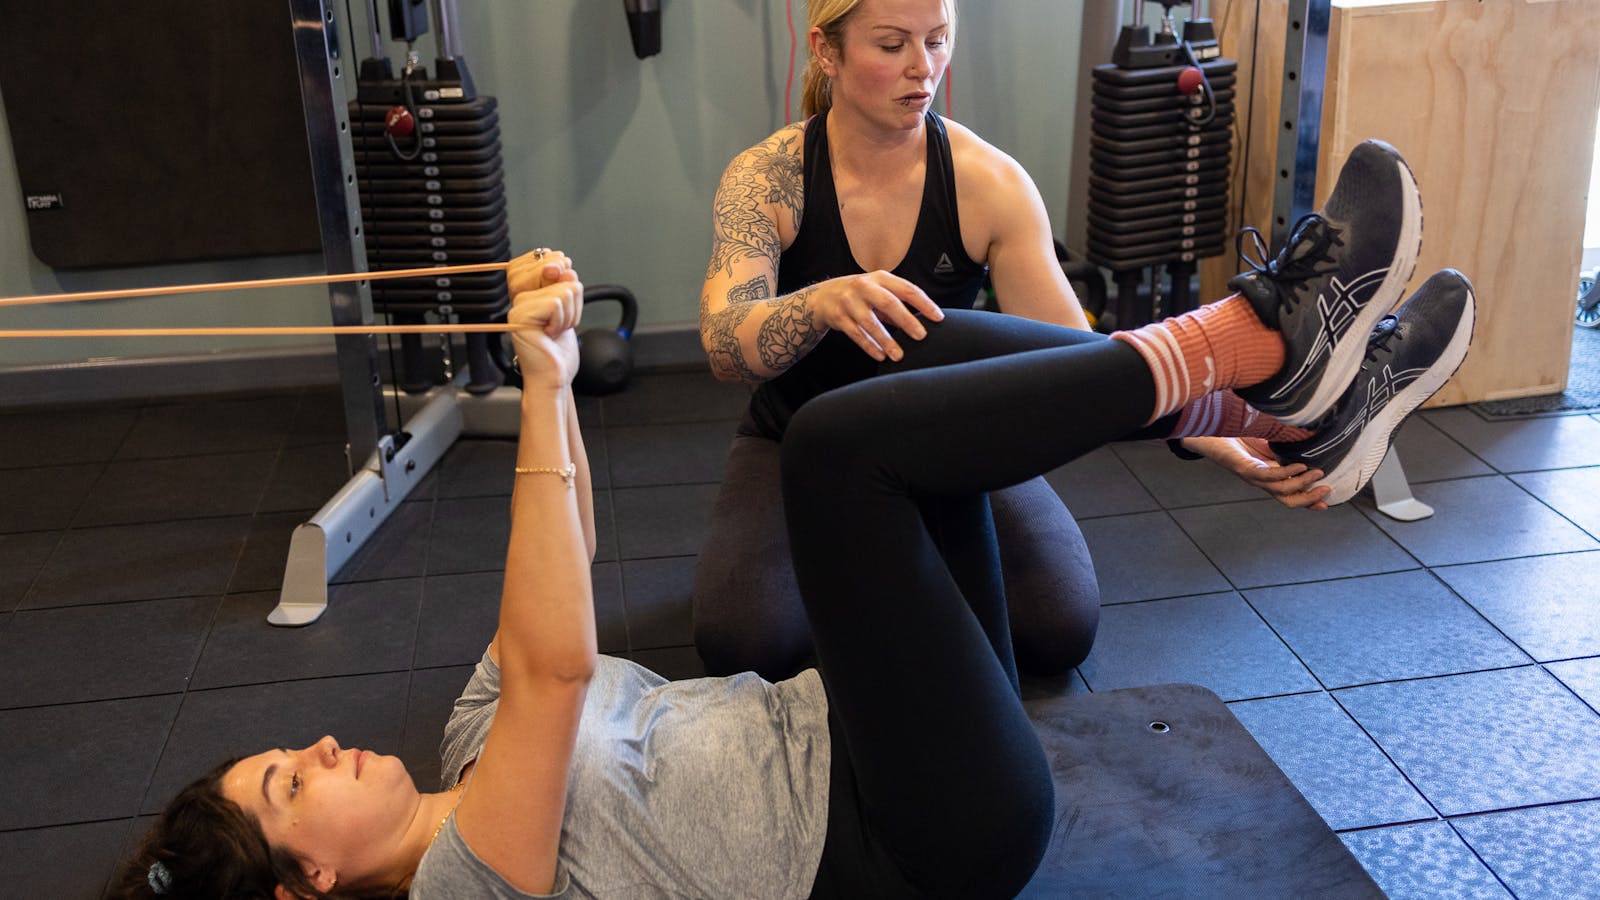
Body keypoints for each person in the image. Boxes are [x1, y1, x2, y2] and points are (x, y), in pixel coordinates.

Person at [113, 138, 1473, 899]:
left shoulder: (472, 747)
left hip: (898, 730)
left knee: (876, 343)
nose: (327, 745)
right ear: (305, 892)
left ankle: (1276, 408)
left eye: (290, 747)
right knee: (831, 457)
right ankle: (1244, 343)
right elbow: (557, 662)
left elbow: (564, 576)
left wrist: (555, 367)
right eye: (295, 782)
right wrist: (539, 380)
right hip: (926, 834)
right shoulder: (471, 884)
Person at [692, 0, 1333, 682]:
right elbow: (726, 344)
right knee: (747, 644)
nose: (923, 67)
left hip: (948, 432)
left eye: (938, 41)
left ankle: (1233, 392)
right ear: (826, 51)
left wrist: (1214, 435)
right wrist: (820, 302)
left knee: (1056, 627)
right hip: (797, 436)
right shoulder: (768, 178)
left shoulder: (985, 180)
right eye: (892, 45)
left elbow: (1070, 366)